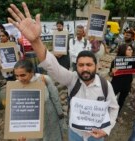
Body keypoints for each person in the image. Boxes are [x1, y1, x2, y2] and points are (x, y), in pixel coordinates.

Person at [7, 2, 119, 141]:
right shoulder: (71, 79)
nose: (85, 68)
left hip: (96, 136)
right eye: (81, 65)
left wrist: (106, 130)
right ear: (76, 66)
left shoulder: (105, 85)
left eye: (89, 65)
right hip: (75, 134)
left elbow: (114, 108)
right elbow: (52, 66)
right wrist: (35, 41)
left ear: (96, 66)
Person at [13, 59, 64, 141]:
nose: (20, 79)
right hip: (31, 124)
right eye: (17, 75)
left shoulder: (44, 79)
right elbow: (16, 111)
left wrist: (60, 115)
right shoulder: (15, 85)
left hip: (49, 119)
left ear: (31, 72)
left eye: (23, 75)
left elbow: (55, 99)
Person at [109, 44, 134, 121]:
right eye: (128, 49)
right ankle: (105, 113)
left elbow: (132, 74)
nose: (131, 51)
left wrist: (131, 84)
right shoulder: (116, 61)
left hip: (126, 84)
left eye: (131, 49)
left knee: (121, 101)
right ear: (123, 51)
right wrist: (113, 72)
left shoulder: (133, 61)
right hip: (116, 83)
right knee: (110, 99)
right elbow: (110, 74)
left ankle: (116, 115)